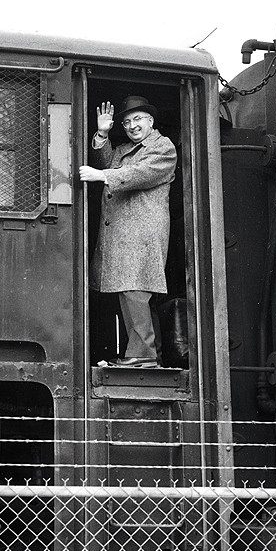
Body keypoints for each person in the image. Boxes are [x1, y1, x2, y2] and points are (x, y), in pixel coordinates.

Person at [79, 96, 177, 367]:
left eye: (137, 119)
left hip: (142, 232)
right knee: (136, 291)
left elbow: (142, 173)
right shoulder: (123, 149)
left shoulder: (162, 147)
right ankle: (151, 352)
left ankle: (142, 356)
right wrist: (102, 133)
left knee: (135, 289)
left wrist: (103, 176)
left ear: (151, 121)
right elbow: (104, 158)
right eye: (126, 122)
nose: (132, 126)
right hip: (126, 233)